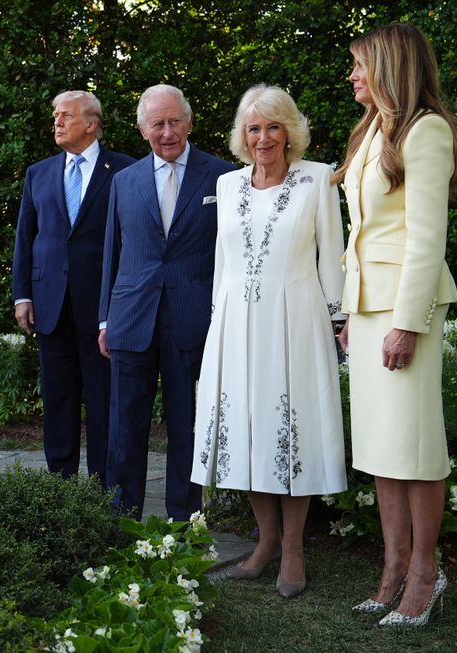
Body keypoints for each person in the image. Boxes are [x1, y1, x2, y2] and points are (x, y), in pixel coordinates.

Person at [191, 85, 347, 598]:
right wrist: (218, 321)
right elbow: (223, 264)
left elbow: (333, 258)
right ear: (243, 135)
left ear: (290, 132)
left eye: (273, 126)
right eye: (254, 128)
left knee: (291, 426)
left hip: (296, 322)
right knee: (251, 429)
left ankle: (295, 549)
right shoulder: (227, 184)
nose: (263, 138)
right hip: (237, 324)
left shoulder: (318, 179)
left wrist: (337, 319)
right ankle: (266, 543)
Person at [335, 23, 457, 626]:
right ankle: (392, 567)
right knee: (381, 450)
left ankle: (427, 574)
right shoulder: (369, 133)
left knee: (415, 449)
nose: (352, 75)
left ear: (388, 66)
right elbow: (359, 236)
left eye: (359, 65)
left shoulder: (426, 131)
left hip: (405, 313)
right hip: (366, 310)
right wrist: (348, 311)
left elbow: (427, 238)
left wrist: (407, 323)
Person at [99, 84, 235, 521]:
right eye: (157, 123)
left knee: (188, 429)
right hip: (131, 321)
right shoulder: (124, 181)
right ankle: (122, 523)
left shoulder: (224, 177)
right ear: (142, 130)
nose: (167, 131)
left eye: (175, 120)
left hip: (193, 321)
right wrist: (105, 319)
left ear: (190, 122)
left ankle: (185, 523)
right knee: (124, 430)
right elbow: (112, 255)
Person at [12, 91, 135, 481]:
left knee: (102, 401)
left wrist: (120, 304)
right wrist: (23, 295)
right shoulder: (40, 173)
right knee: (58, 399)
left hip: (102, 309)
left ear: (92, 123)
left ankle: (102, 484)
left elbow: (131, 241)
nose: (57, 122)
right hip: (50, 305)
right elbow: (26, 238)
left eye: (65, 115)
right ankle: (60, 485)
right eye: (55, 116)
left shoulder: (125, 171)